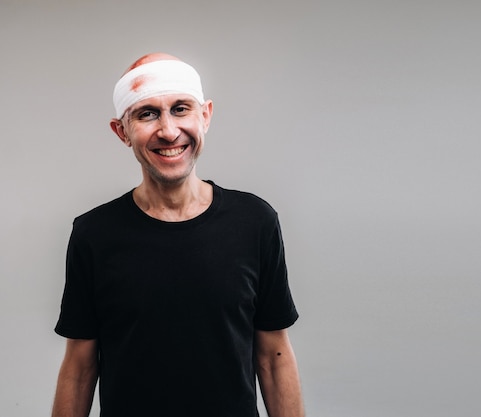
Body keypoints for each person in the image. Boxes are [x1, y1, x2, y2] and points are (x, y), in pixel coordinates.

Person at [51, 53, 304, 417]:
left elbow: (274, 355)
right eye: (147, 113)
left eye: (181, 108)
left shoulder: (255, 222)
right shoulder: (94, 233)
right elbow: (79, 368)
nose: (169, 131)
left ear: (206, 115)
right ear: (122, 131)